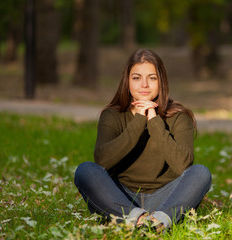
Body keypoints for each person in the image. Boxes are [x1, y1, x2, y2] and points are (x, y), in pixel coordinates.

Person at [74, 49, 212, 233]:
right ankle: (138, 219)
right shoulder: (112, 115)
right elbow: (103, 161)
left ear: (161, 80)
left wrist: (154, 121)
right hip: (121, 196)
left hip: (165, 197)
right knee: (85, 171)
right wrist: (139, 120)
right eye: (137, 78)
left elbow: (183, 166)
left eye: (152, 78)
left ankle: (158, 222)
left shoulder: (179, 116)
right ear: (127, 81)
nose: (144, 84)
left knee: (201, 173)